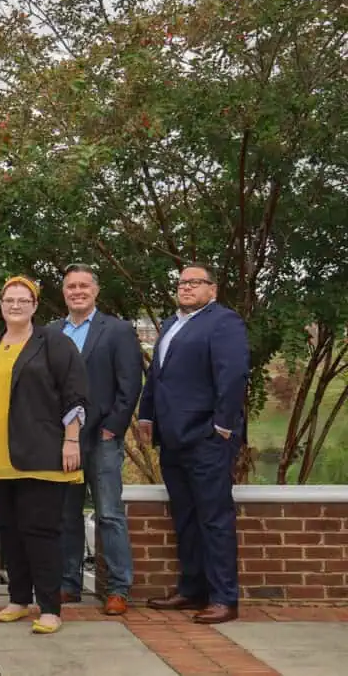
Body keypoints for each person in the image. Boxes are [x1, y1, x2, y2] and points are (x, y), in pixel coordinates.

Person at [0, 276, 87, 634]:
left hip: (41, 454)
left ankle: (50, 607)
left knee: (40, 531)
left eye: (22, 300)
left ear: (34, 306)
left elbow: (74, 395)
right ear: (1, 305)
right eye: (8, 300)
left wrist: (72, 441)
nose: (15, 305)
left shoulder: (54, 344)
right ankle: (18, 599)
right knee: (10, 530)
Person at [138, 263, 250, 625]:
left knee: (214, 519)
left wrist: (221, 427)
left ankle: (223, 598)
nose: (186, 288)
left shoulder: (223, 322)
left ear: (212, 290)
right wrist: (146, 415)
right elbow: (158, 374)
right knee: (185, 517)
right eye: (182, 282)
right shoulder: (172, 324)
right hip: (172, 438)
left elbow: (233, 375)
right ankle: (191, 589)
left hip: (207, 438)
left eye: (195, 283)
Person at [53, 264, 143, 615]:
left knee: (109, 514)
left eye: (83, 286)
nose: (77, 291)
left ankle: (119, 588)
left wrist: (112, 428)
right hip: (63, 441)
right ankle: (68, 584)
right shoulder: (51, 332)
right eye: (71, 286)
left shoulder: (117, 331)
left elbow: (130, 383)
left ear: (96, 291)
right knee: (67, 515)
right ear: (64, 292)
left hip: (102, 438)